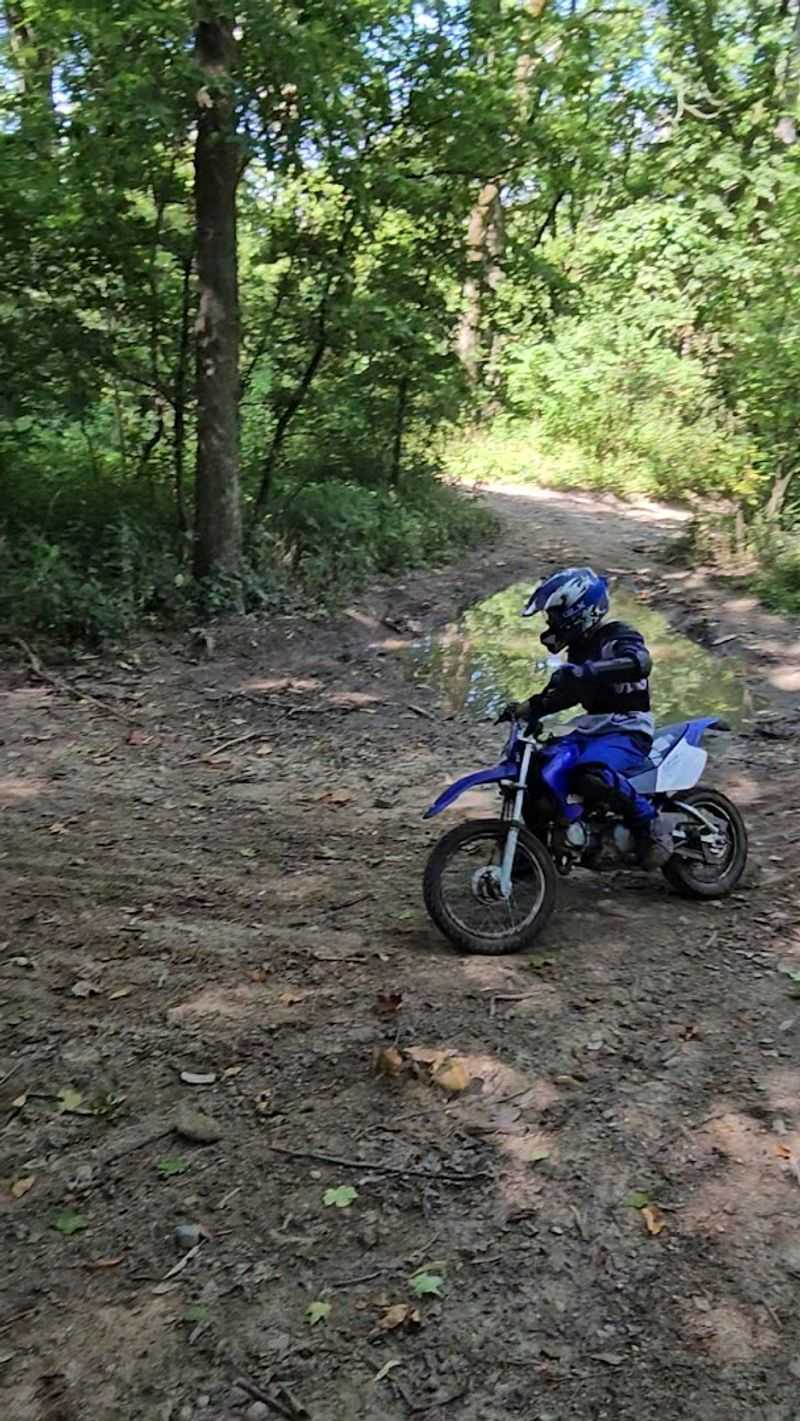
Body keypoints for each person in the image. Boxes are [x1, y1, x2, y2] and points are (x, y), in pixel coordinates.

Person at [500, 567, 675, 868]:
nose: (551, 622)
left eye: (555, 614)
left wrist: (590, 671)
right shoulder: (578, 651)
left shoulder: (619, 635)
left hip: (628, 727)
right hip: (592, 729)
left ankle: (649, 825)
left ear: (579, 609)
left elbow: (639, 662)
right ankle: (536, 853)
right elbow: (566, 694)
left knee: (591, 773)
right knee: (538, 770)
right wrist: (530, 708)